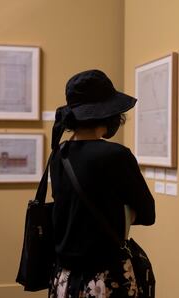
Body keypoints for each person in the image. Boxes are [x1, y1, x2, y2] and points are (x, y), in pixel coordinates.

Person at [48, 69, 156, 298]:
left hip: (63, 279)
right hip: (106, 278)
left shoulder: (59, 154)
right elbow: (148, 214)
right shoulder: (116, 155)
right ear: (108, 114)